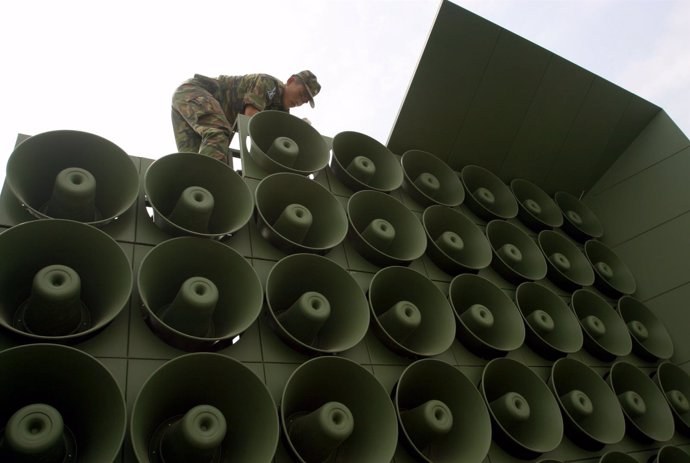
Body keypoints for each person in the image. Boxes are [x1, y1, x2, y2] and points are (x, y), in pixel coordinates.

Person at [171, 70, 321, 165]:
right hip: (193, 93)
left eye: (305, 100)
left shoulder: (281, 113)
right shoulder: (269, 84)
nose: (300, 101)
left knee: (193, 163)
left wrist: (297, 130)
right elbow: (250, 119)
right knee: (218, 135)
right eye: (301, 94)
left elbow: (274, 142)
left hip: (203, 110)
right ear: (291, 81)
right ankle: (207, 184)